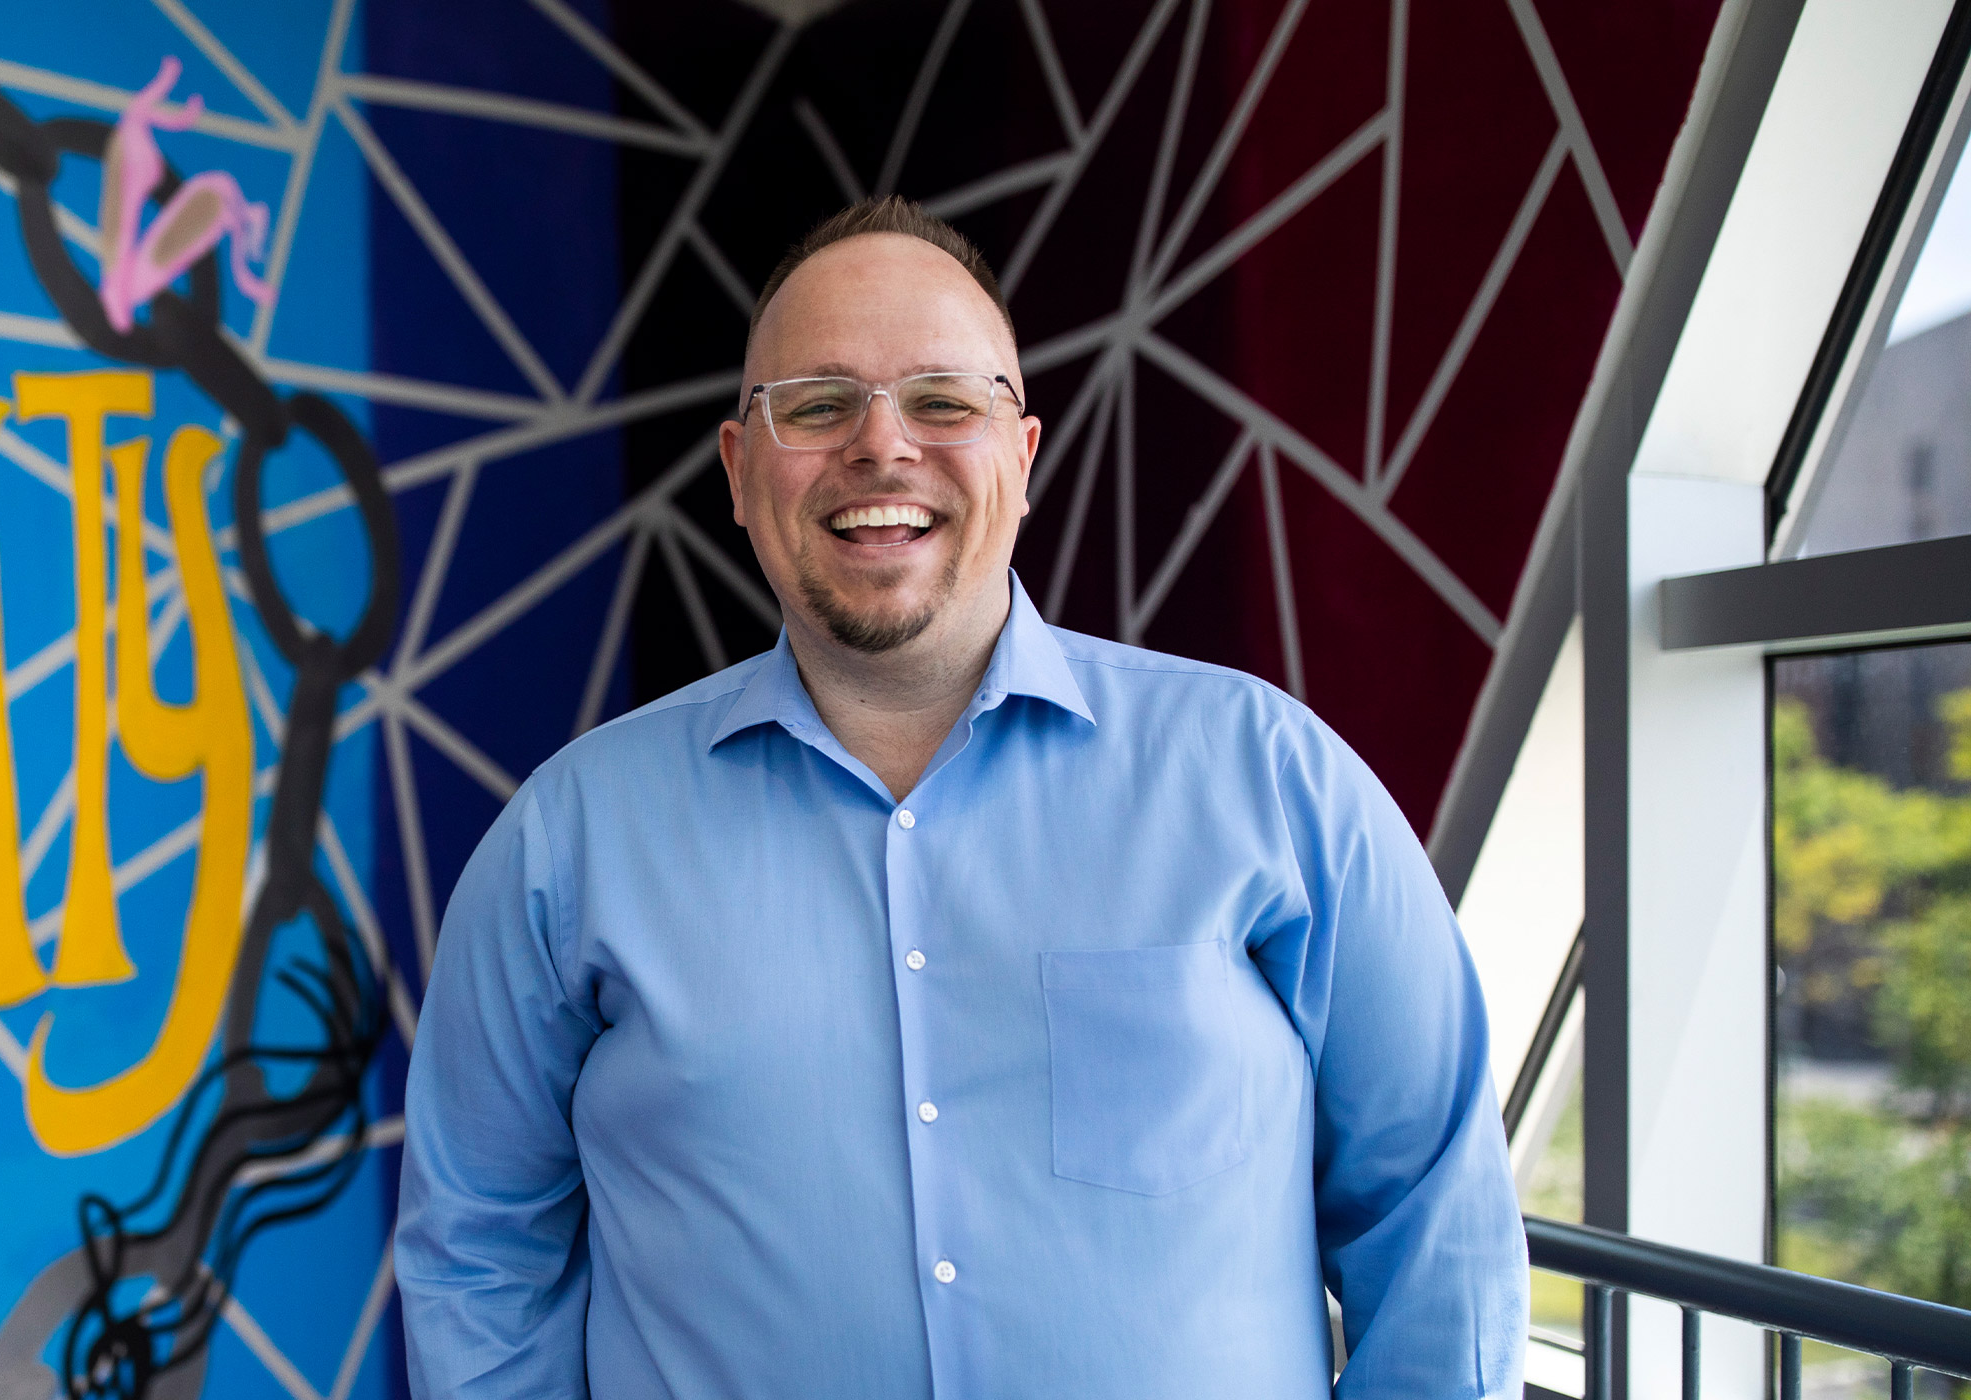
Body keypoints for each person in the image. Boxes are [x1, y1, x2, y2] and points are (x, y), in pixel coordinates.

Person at [392, 197, 1526, 1399]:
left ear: (1022, 458)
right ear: (737, 471)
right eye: (817, 405)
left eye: (941, 400)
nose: (882, 446)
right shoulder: (565, 843)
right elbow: (476, 1248)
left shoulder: (1274, 779)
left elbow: (1435, 1220)